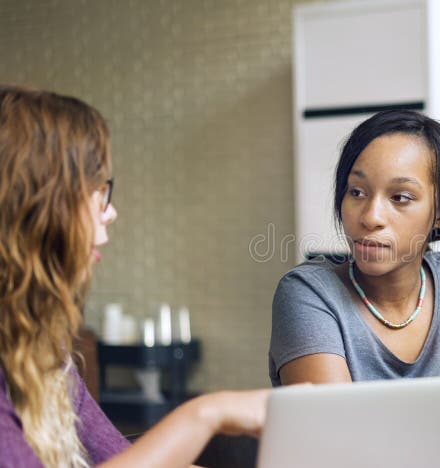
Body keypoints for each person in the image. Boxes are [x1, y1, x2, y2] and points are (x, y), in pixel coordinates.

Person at [0, 86, 269, 468]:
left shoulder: (44, 351)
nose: (110, 212)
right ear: (41, 204)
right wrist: (208, 413)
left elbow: (126, 459)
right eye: (97, 190)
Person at [268, 109, 440, 458]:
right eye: (357, 191)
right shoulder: (308, 294)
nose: (371, 217)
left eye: (400, 197)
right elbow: (340, 450)